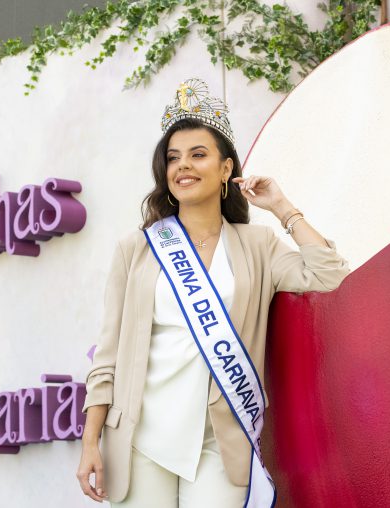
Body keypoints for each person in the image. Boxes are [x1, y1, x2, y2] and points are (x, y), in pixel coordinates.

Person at [76, 77, 350, 507]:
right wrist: (90, 441)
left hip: (218, 442)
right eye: (173, 159)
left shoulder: (256, 246)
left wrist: (282, 208)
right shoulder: (138, 249)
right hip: (139, 440)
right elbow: (106, 357)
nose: (183, 166)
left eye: (198, 155)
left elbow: (329, 275)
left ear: (226, 169)